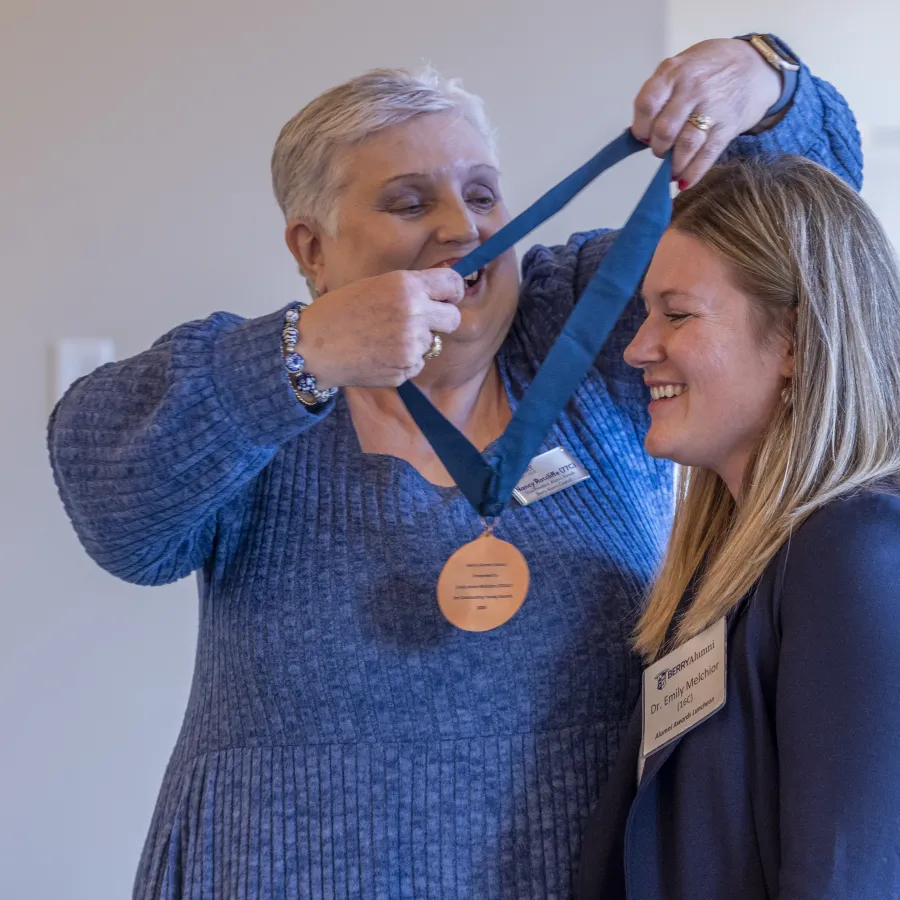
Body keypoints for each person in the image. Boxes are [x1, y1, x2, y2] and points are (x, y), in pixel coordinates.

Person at [48, 35, 861, 899]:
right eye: (408, 201)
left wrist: (766, 83)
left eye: (481, 193)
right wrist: (306, 352)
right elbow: (113, 508)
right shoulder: (259, 387)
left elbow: (798, 234)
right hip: (272, 869)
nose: (462, 228)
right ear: (311, 249)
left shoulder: (582, 321)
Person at [578, 155, 900, 900]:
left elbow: (843, 879)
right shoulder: (737, 560)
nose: (636, 348)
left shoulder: (857, 550)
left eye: (677, 313)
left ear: (793, 340)